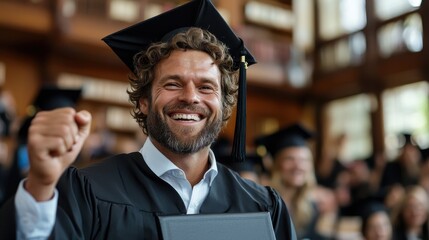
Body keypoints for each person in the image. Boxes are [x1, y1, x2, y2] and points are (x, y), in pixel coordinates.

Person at [0, 0, 297, 239]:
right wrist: (39, 185)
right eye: (172, 83)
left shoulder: (263, 207)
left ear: (225, 105)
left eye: (206, 86)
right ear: (143, 101)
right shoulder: (88, 192)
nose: (190, 97)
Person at [258, 123, 331, 239]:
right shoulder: (263, 204)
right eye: (290, 159)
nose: (298, 166)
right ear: (276, 165)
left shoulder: (311, 206)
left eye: (303, 160)